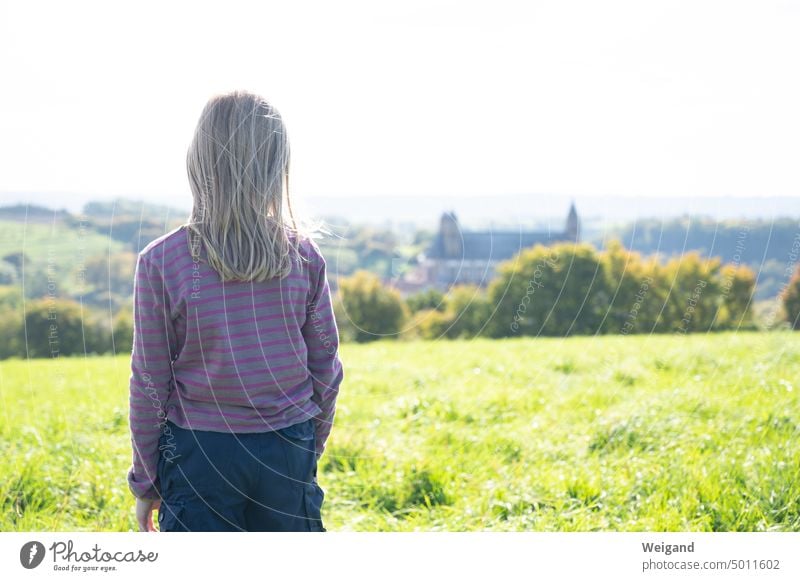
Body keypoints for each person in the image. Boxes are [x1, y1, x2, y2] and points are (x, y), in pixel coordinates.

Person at [126, 90, 343, 532]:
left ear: (198, 161)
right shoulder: (302, 256)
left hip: (199, 456)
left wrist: (146, 481)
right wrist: (307, 446)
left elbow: (149, 384)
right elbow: (327, 369)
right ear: (275, 166)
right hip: (288, 445)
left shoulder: (162, 261)